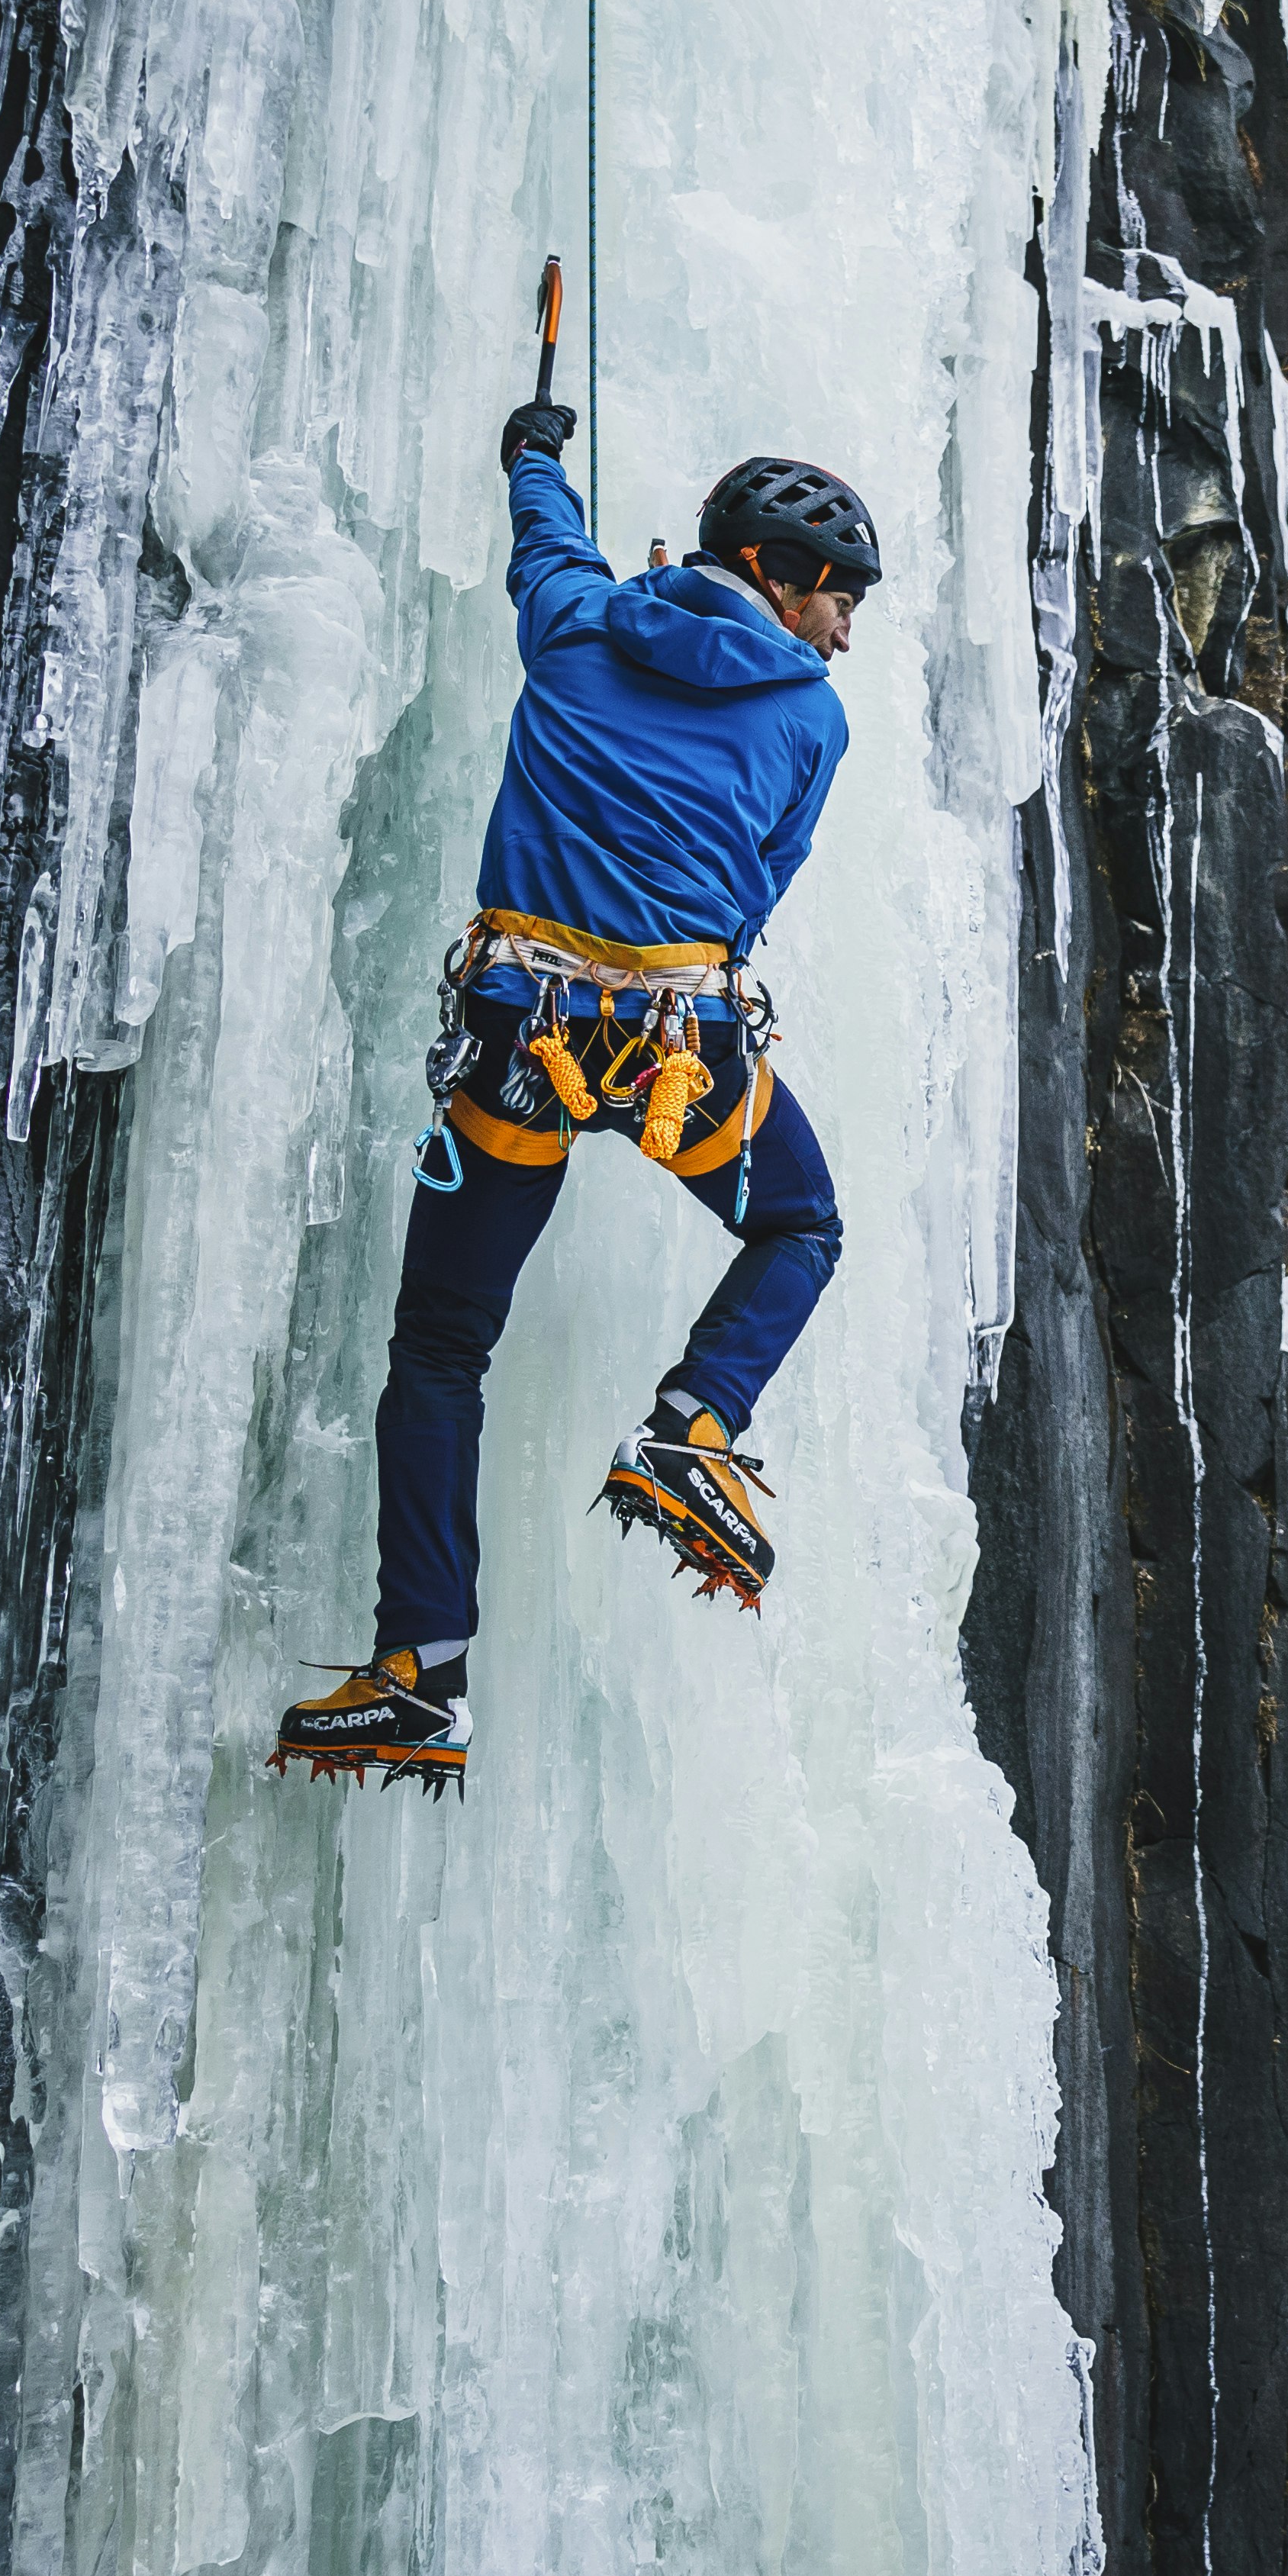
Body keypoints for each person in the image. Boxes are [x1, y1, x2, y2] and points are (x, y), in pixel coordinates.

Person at [272, 405, 879, 1791]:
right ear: (776, 575)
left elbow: (542, 536)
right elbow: (758, 894)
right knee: (800, 1227)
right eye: (837, 598)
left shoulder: (577, 621)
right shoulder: (808, 717)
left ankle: (419, 1672)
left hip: (516, 1038)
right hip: (679, 1047)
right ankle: (693, 1432)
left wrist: (531, 450)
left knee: (440, 1348)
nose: (843, 632)